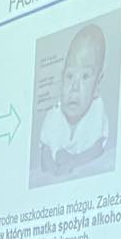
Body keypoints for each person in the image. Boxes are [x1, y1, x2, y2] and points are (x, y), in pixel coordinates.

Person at [40, 24, 109, 177]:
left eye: (85, 76)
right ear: (62, 78)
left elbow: (97, 149)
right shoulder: (53, 116)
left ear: (97, 85)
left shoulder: (96, 111)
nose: (74, 87)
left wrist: (74, 161)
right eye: (70, 76)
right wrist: (52, 167)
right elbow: (45, 154)